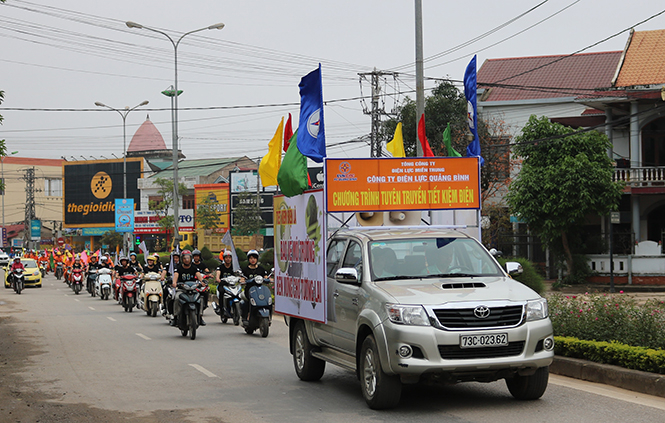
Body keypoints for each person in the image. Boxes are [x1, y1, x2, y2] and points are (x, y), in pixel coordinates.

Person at [171, 250, 205, 326]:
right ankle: (175, 317)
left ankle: (200, 316)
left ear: (191, 258)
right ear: (182, 259)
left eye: (188, 258)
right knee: (176, 298)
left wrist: (202, 281)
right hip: (182, 289)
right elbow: (175, 276)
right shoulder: (178, 268)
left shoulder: (194, 267)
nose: (186, 260)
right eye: (185, 258)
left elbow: (199, 275)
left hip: (193, 289)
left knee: (200, 298)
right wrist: (174, 282)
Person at [240, 250, 269, 322]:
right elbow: (242, 278)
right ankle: (245, 317)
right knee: (248, 301)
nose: (253, 260)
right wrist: (242, 281)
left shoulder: (261, 269)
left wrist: (268, 279)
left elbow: (266, 277)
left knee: (267, 300)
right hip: (249, 290)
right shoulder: (245, 269)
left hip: (260, 289)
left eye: (254, 258)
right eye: (251, 258)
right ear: (248, 259)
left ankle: (268, 317)